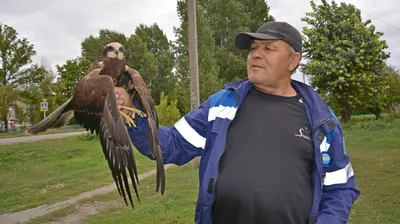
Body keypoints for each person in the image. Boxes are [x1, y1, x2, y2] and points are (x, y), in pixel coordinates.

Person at [115, 21, 360, 224]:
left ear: (293, 60)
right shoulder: (222, 105)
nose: (256, 54)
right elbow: (171, 145)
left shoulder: (321, 119)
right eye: (254, 48)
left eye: (269, 48)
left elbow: (341, 186)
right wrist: (132, 110)